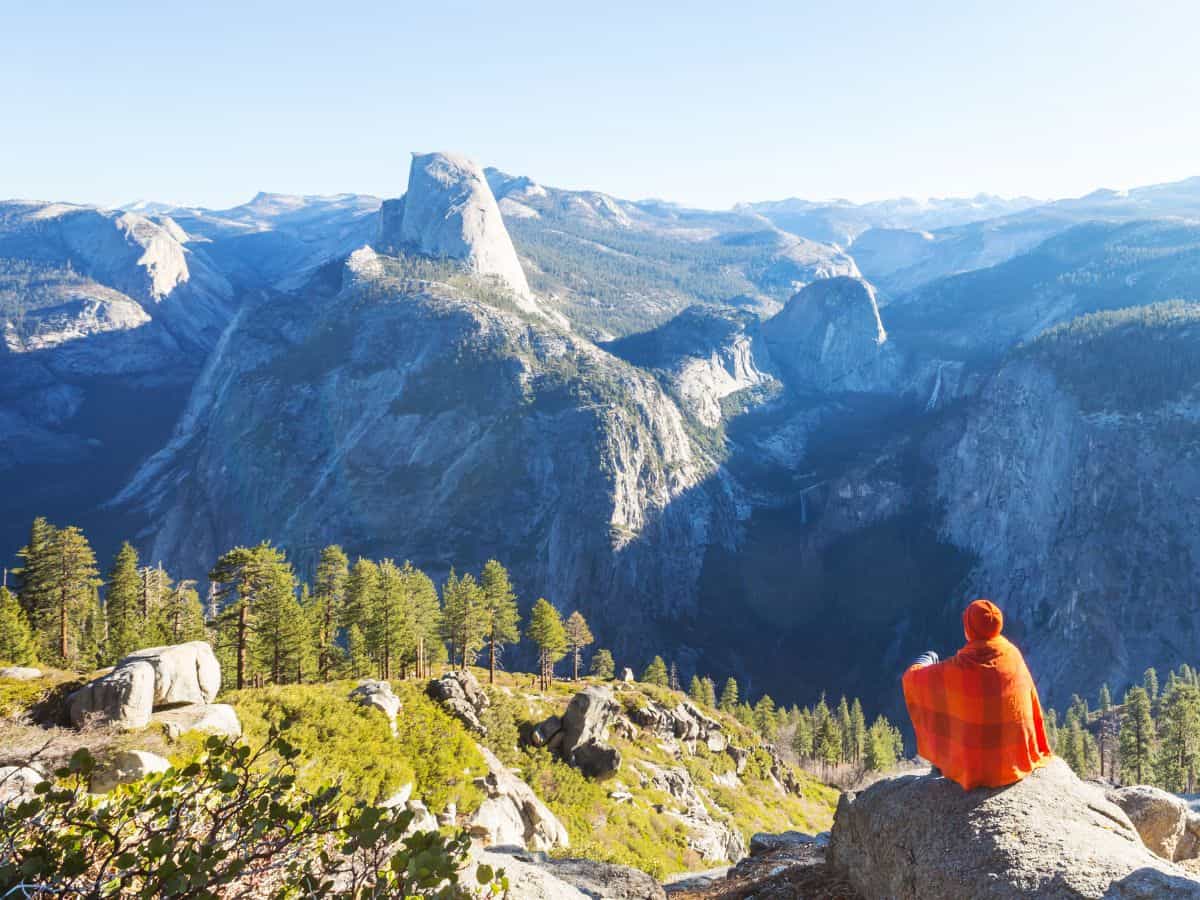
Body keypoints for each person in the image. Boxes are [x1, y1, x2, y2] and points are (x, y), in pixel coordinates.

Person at [902, 598, 1052, 791]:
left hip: (977, 768)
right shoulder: (1012, 654)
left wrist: (924, 662)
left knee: (940, 696)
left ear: (969, 629)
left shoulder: (960, 668)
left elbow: (912, 680)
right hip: (1017, 758)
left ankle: (944, 766)